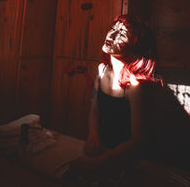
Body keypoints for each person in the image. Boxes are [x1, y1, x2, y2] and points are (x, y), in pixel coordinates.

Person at [67, 14, 190, 184]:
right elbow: (94, 109)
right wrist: (93, 135)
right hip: (103, 147)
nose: (111, 35)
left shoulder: (134, 86)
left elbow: (137, 141)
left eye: (122, 34)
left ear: (135, 45)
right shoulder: (101, 70)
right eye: (112, 28)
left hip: (127, 159)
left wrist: (95, 164)